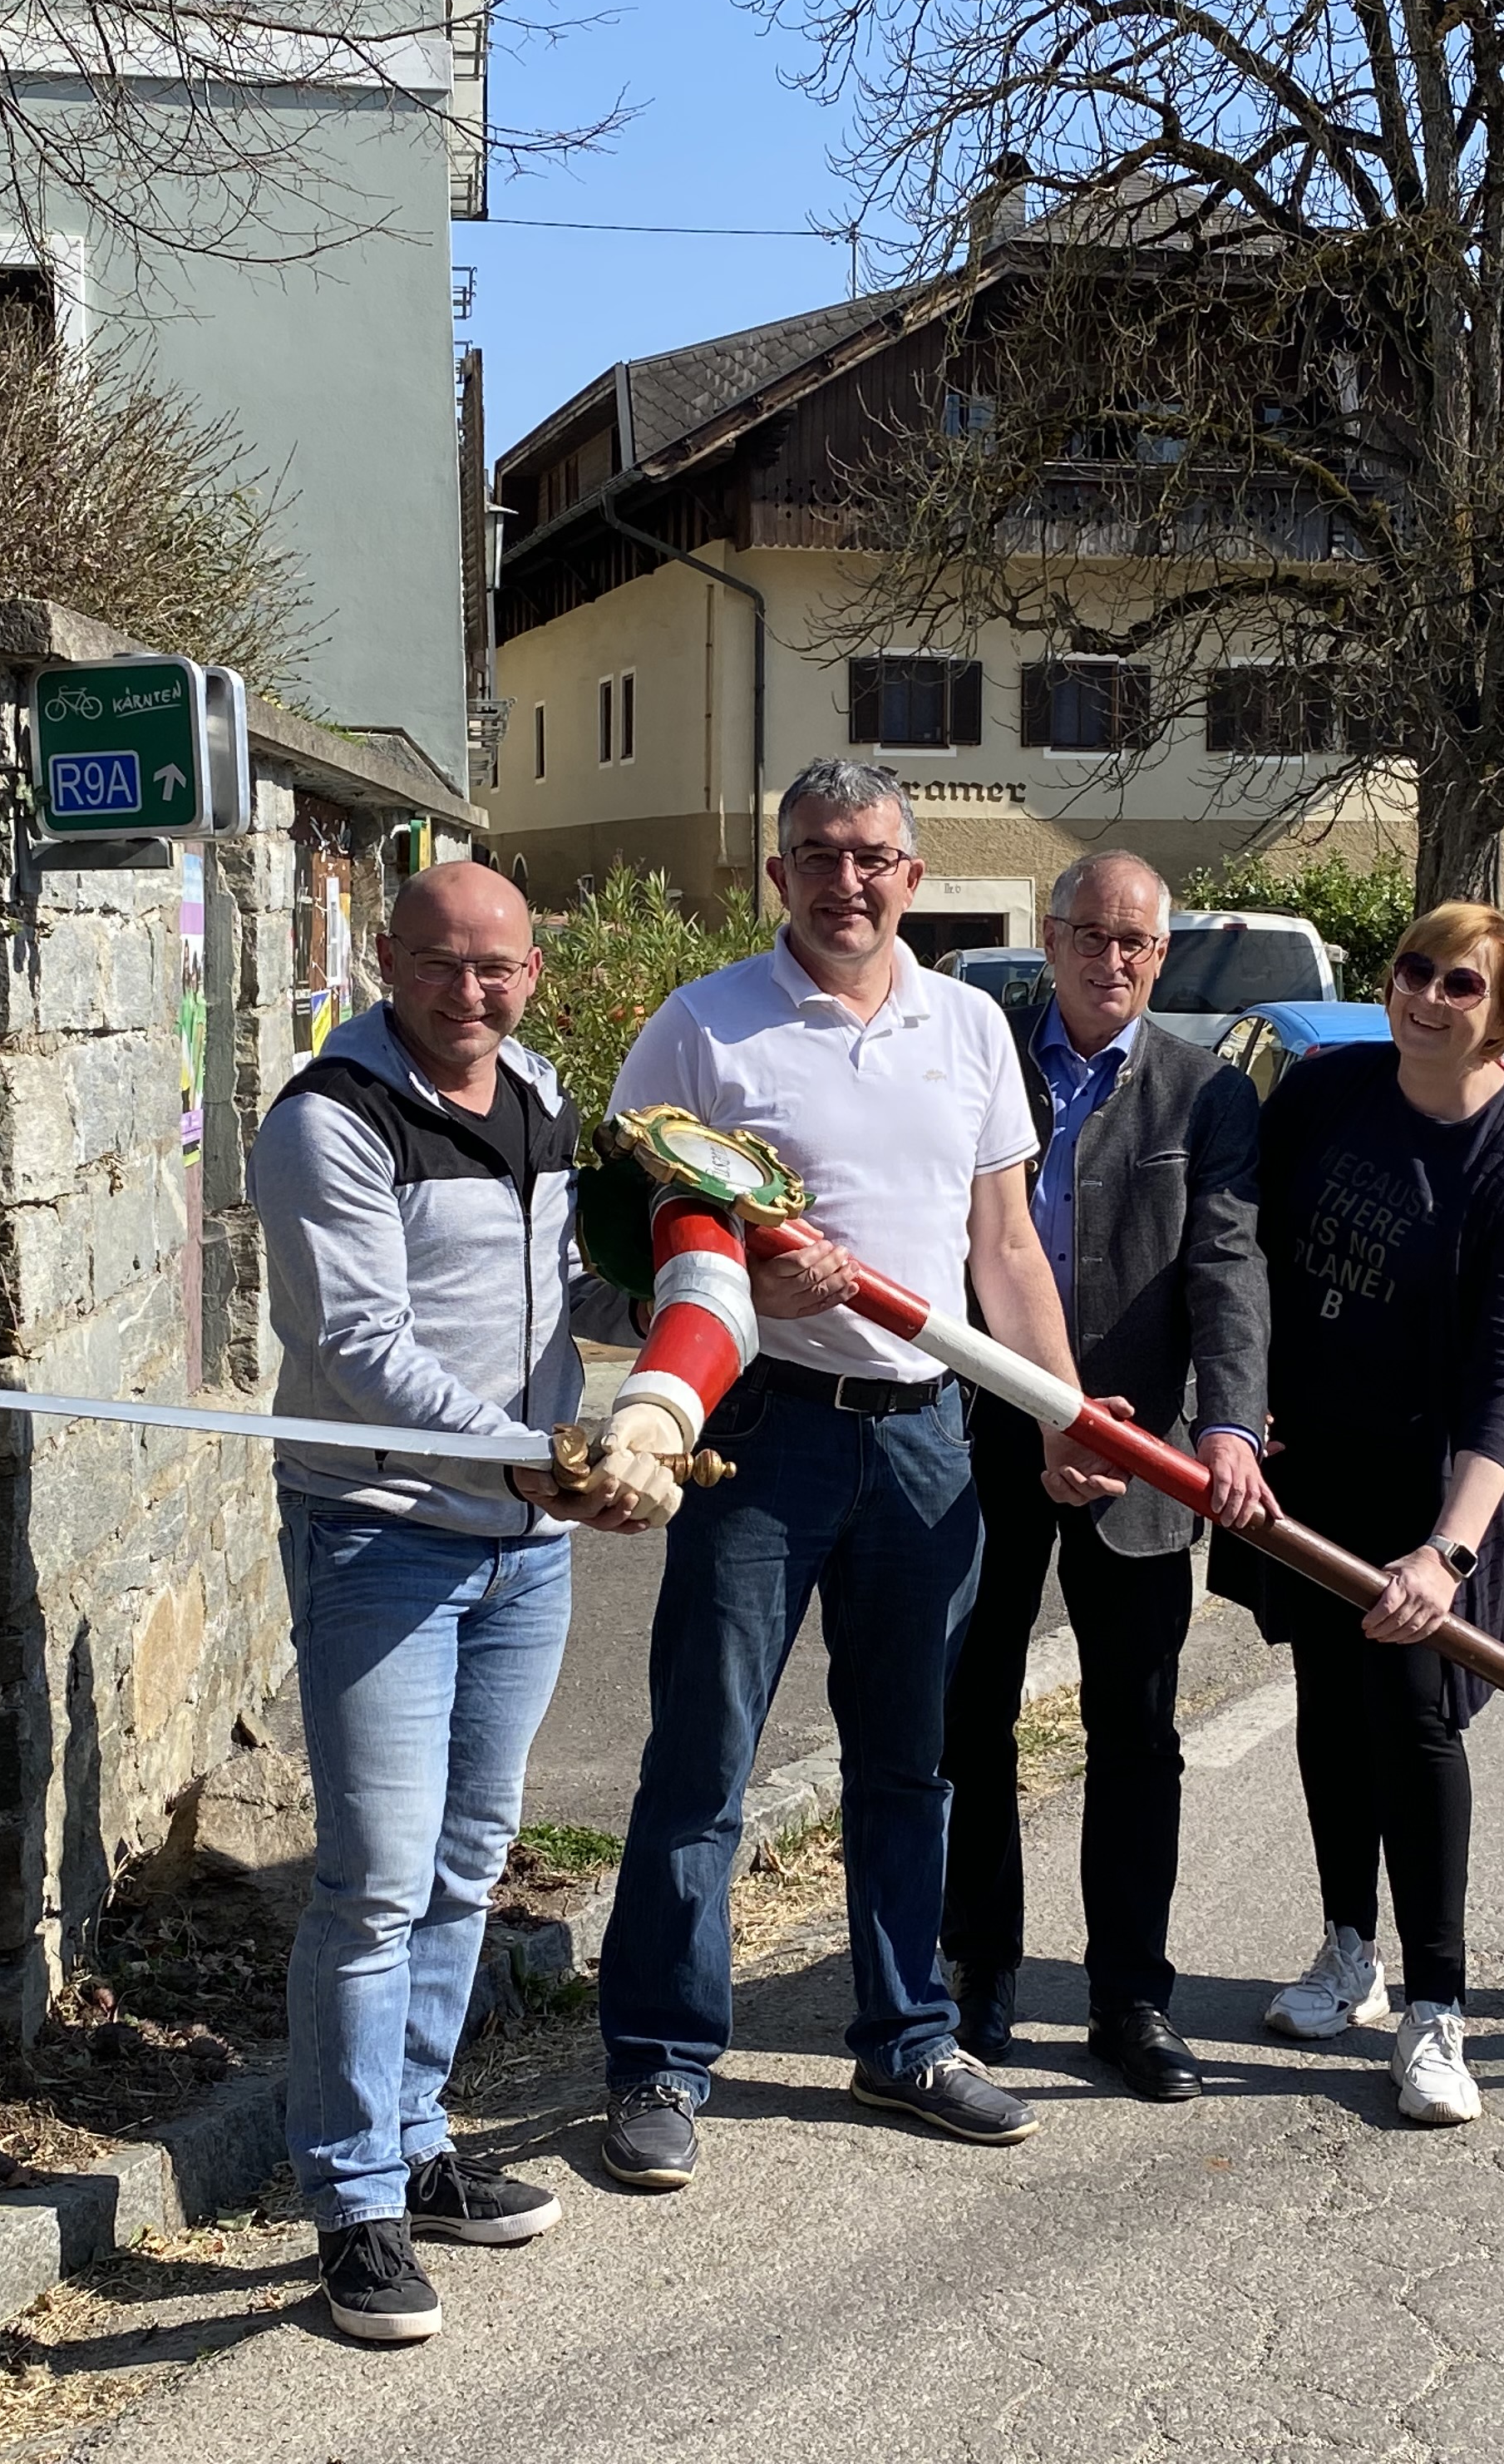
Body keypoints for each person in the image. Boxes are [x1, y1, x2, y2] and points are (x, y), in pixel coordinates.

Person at [593, 758, 1097, 2191]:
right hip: (763, 1432)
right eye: (818, 854)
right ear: (780, 876)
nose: (847, 881)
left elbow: (1005, 1250)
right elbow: (635, 1237)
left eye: (874, 856)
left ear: (913, 879)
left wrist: (1057, 1408)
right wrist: (749, 1263)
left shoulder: (973, 1033)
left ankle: (909, 2038)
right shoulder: (702, 1029)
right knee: (705, 1750)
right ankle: (660, 2061)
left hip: (931, 1437)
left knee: (911, 1760)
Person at [249, 862, 678, 2345]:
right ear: (387, 959)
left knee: (464, 1863)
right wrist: (535, 1457)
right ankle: (354, 2205)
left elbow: (577, 1295)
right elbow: (360, 1346)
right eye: (439, 964)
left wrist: (706, 1287)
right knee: (371, 1880)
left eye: (498, 967)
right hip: (382, 1536)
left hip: (521, 1545)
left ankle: (417, 2139)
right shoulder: (329, 1122)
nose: (469, 992)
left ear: (534, 972)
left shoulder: (546, 1098)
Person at [936, 852, 1273, 2102]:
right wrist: (1033, 1412)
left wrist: (1227, 1429)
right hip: (982, 1439)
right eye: (1090, 935)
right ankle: (980, 1971)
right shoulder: (980, 1065)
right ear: (1048, 935)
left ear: (1161, 957)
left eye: (1136, 943)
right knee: (969, 1714)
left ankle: (1132, 1996)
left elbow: (1229, 1272)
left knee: (1134, 1731)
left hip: (1138, 1457)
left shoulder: (1207, 1096)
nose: (1111, 961)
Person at [1246, 901, 1504, 2126]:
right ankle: (1348, 1954)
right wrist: (1241, 1406)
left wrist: (1450, 1548)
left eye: (1463, 986)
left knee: (1418, 1727)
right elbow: (1253, 1256)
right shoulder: (1327, 1095)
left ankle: (1439, 2009)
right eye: (1414, 972)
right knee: (1330, 1710)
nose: (1429, 998)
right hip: (1311, 1469)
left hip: (1427, 1492)